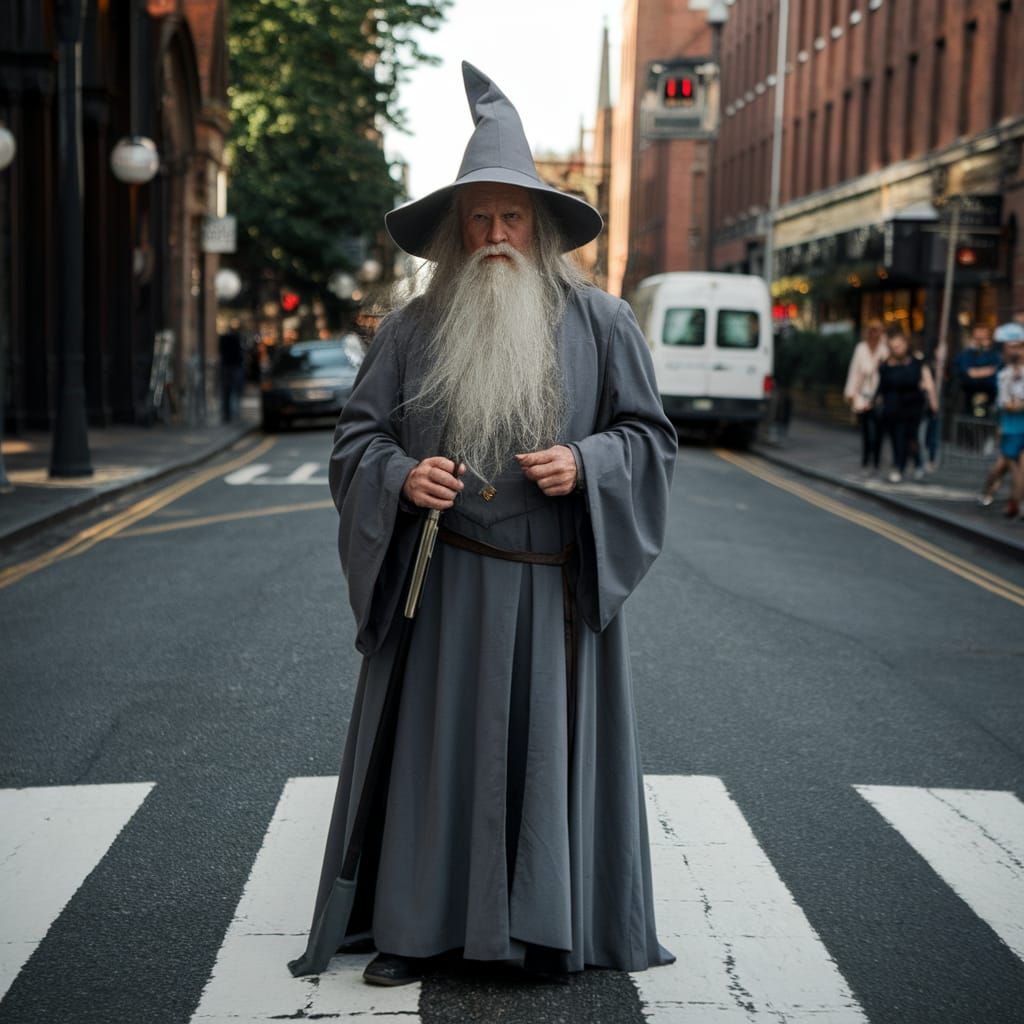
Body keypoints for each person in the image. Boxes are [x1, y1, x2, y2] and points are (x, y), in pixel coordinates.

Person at [290, 63, 677, 987]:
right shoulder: (410, 331)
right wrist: (398, 472)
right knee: (436, 764)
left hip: (556, 595)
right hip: (448, 583)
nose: (497, 234)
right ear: (457, 234)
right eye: (479, 219)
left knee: (542, 765)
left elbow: (651, 441)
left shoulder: (604, 322)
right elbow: (356, 439)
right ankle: (415, 933)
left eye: (512, 218)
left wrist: (589, 464)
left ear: (539, 229)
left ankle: (545, 930)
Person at [878, 324, 937, 483]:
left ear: (906, 344)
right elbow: (881, 388)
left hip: (912, 408)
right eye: (894, 347)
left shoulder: (916, 362)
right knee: (897, 439)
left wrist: (933, 403)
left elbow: (928, 383)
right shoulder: (885, 366)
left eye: (900, 345)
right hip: (893, 408)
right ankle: (899, 466)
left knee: (912, 439)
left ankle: (915, 463)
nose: (897, 349)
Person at [980, 322, 1024, 516]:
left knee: (1019, 465)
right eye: (1012, 347)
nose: (1016, 351)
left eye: (1019, 347)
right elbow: (1005, 403)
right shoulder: (1004, 373)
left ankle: (1015, 503)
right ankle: (989, 487)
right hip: (1010, 426)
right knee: (1002, 466)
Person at [844, 319, 888, 475]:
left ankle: (876, 463)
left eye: (878, 330)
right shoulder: (861, 348)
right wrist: (851, 394)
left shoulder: (884, 349)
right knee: (867, 432)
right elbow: (854, 371)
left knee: (879, 433)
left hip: (879, 398)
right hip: (863, 396)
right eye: (872, 330)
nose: (875, 333)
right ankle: (866, 461)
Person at [955, 323, 1001, 418]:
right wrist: (987, 371)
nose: (980, 341)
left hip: (991, 399)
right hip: (968, 400)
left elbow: (996, 369)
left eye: (983, 338)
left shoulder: (994, 354)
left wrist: (977, 372)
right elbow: (969, 372)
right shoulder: (966, 354)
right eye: (977, 338)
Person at [217, 329, 245, 423]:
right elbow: (240, 354)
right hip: (235, 367)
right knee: (235, 392)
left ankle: (227, 415)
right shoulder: (236, 340)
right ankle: (234, 415)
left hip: (226, 367)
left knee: (226, 392)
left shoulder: (223, 340)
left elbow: (220, 351)